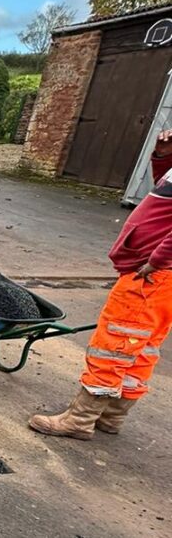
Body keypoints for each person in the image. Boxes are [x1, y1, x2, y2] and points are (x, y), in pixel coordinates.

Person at [29, 128, 172, 439]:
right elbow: (165, 195)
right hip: (158, 276)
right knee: (141, 347)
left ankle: (80, 420)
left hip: (153, 276)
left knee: (116, 344)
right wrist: (164, 157)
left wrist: (157, 260)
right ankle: (110, 416)